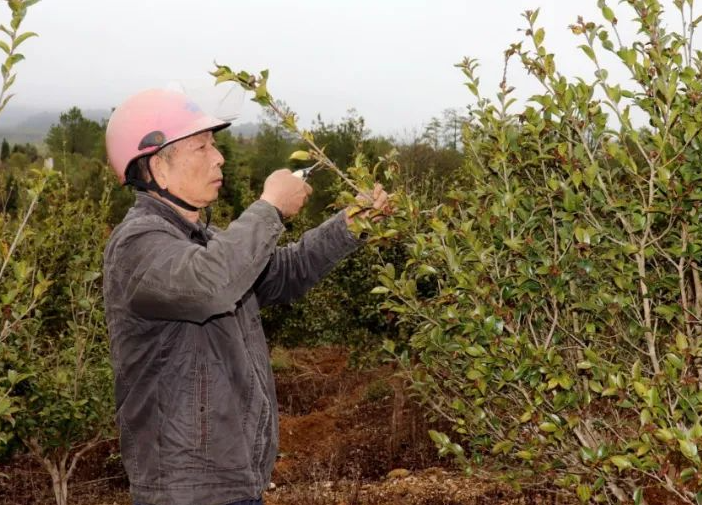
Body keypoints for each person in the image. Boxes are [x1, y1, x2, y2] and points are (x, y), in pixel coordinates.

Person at [102, 88, 389, 505]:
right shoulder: (138, 245)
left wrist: (351, 225)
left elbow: (284, 272)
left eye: (215, 145)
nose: (218, 157)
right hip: (186, 491)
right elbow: (209, 286)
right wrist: (269, 208)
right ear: (157, 168)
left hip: (233, 482)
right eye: (201, 146)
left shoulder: (203, 243)